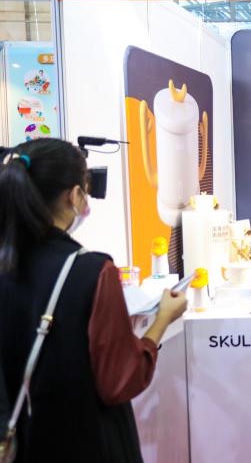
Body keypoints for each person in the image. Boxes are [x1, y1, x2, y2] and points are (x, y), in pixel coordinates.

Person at [0, 139, 187, 462]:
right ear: (74, 195)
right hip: (87, 442)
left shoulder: (8, 264)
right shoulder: (92, 271)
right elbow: (120, 379)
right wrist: (161, 322)